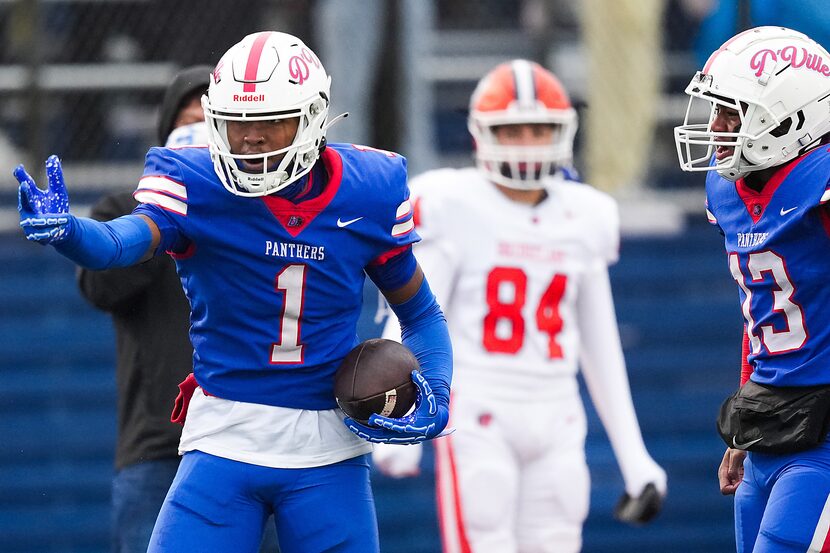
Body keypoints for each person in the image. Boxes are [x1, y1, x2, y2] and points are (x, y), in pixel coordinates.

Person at [15, 31, 452, 553]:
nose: (251, 139)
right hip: (225, 436)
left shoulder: (367, 189)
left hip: (327, 449)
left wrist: (439, 391)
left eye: (270, 121)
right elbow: (118, 243)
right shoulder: (196, 182)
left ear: (312, 116)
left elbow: (422, 316)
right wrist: (70, 233)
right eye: (237, 123)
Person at [373, 59, 666, 553]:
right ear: (481, 134)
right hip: (479, 410)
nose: (528, 142)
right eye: (512, 130)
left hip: (558, 413)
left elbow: (600, 345)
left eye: (539, 129)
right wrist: (403, 412)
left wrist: (633, 454)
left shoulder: (583, 214)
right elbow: (414, 315)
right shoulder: (453, 203)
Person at [674, 26, 830, 553]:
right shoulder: (728, 188)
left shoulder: (821, 182)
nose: (715, 128)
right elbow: (758, 317)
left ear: (789, 117)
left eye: (731, 114)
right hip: (770, 422)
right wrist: (745, 422)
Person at [76, 65, 211, 553]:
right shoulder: (125, 209)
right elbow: (99, 287)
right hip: (158, 443)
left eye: (209, 120)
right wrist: (165, 215)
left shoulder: (261, 217)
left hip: (252, 438)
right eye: (186, 121)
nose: (197, 131)